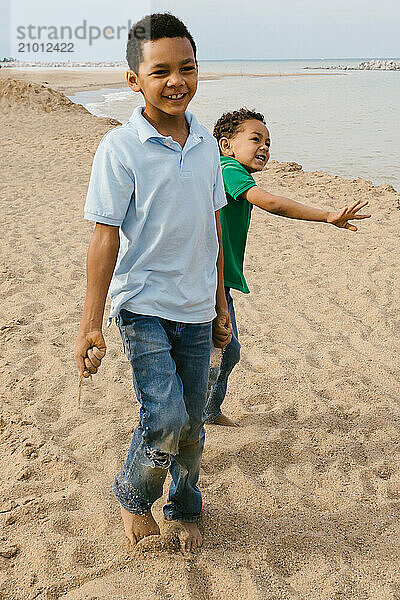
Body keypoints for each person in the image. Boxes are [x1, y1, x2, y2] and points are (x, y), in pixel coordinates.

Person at [74, 13, 231, 553]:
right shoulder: (120, 149)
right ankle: (133, 494)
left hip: (195, 307)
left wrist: (220, 306)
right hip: (141, 302)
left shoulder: (208, 143)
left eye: (187, 68)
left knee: (191, 424)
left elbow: (211, 231)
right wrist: (90, 324)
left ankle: (184, 501)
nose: (176, 81)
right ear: (133, 80)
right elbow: (104, 238)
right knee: (164, 416)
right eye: (160, 70)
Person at [205, 108, 371, 427]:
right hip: (211, 279)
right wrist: (326, 216)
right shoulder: (228, 169)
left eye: (268, 142)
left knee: (228, 350)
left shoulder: (224, 170)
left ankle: (205, 411)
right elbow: (271, 203)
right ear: (226, 145)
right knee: (220, 352)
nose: (265, 147)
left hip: (218, 279)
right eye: (256, 139)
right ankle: (198, 414)